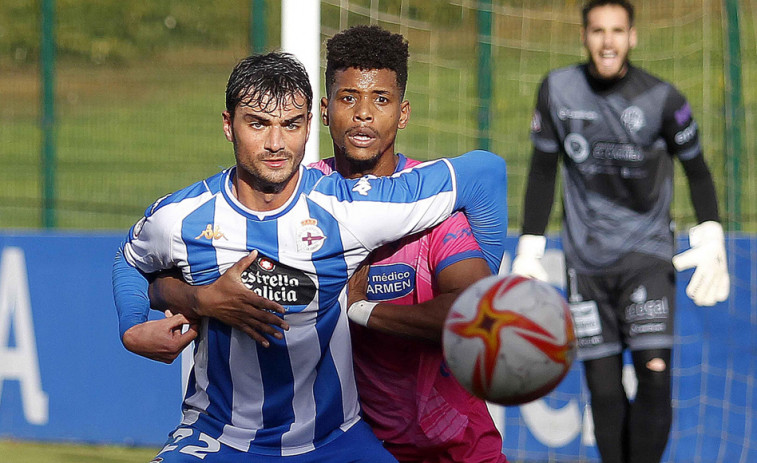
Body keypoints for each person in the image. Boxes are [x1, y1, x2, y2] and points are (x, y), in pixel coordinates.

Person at [112, 51, 508, 462]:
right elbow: (129, 260)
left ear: (308, 126)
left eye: (290, 125)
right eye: (258, 124)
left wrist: (491, 277)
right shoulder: (180, 218)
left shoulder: (348, 207)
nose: (276, 144)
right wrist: (136, 325)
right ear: (229, 125)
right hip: (218, 436)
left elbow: (485, 174)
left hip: (335, 441)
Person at [510, 1, 729, 462]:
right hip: (585, 263)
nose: (607, 41)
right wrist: (529, 248)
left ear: (632, 36)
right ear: (585, 36)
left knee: (653, 375)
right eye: (597, 31)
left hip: (647, 256)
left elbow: (699, 171)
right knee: (603, 390)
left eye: (617, 31)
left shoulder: (663, 98)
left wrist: (712, 235)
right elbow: (543, 173)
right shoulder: (557, 90)